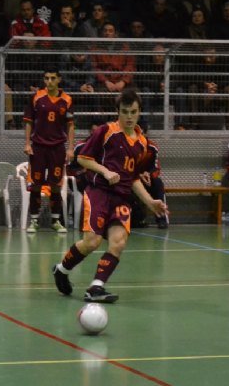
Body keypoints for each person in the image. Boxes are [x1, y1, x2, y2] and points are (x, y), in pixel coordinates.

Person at [52, 89, 168, 303]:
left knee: (118, 242)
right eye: (125, 112)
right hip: (99, 193)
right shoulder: (106, 132)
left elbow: (133, 178)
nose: (129, 117)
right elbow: (83, 159)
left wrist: (150, 202)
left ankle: (96, 287)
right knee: (92, 242)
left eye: (133, 112)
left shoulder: (143, 144)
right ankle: (61, 269)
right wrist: (105, 171)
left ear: (139, 112)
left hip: (122, 199)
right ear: (117, 112)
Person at [23, 69, 75, 233]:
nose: (49, 81)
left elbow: (70, 125)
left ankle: (55, 221)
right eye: (46, 78)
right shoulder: (36, 97)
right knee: (36, 185)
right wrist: (27, 143)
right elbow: (28, 121)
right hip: (38, 146)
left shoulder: (67, 99)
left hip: (58, 148)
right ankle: (34, 221)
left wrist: (71, 148)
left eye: (53, 78)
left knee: (55, 185)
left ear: (59, 79)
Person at [131, 126, 169, 229]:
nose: (140, 136)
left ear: (146, 134)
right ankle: (135, 220)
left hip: (148, 180)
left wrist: (148, 174)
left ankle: (162, 219)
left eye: (142, 133)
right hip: (132, 180)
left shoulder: (152, 147)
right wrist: (138, 175)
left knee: (158, 183)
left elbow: (156, 167)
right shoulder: (129, 147)